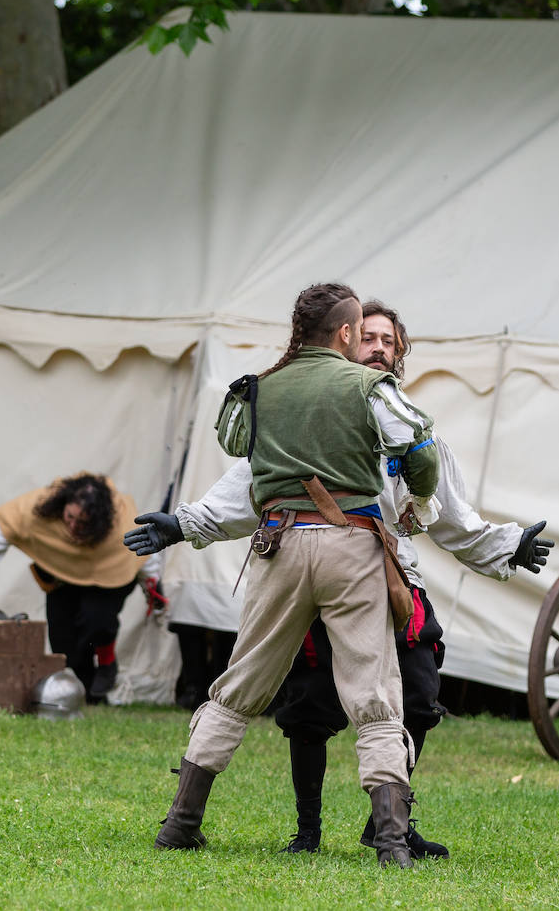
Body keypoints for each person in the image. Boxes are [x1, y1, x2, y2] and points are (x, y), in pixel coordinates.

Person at [131, 300, 554, 860]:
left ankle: (387, 828)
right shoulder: (340, 406)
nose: (378, 347)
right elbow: (251, 485)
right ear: (347, 338)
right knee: (315, 705)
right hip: (348, 558)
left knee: (417, 695)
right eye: (368, 337)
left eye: (389, 341)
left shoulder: (368, 406)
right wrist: (186, 523)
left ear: (400, 352)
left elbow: (450, 515)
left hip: (382, 573)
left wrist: (508, 543)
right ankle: (316, 832)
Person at [126, 283, 441, 869]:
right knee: (373, 691)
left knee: (240, 684)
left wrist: (185, 523)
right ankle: (392, 842)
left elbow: (237, 451)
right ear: (346, 333)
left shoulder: (258, 389)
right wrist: (417, 497)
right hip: (352, 547)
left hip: (276, 544)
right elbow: (420, 452)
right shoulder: (371, 387)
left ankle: (180, 824)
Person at [0, 472, 158, 701]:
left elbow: (143, 555)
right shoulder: (37, 507)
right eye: (70, 517)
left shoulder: (121, 521)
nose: (73, 526)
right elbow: (0, 529)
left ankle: (107, 663)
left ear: (98, 521)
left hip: (107, 579)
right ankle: (84, 694)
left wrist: (153, 589)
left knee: (96, 622)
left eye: (82, 522)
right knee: (62, 640)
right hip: (61, 578)